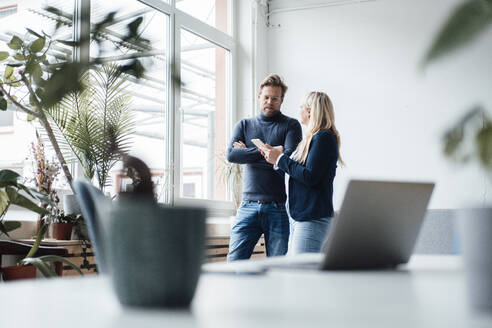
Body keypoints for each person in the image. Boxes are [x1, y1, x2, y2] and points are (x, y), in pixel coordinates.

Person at [226, 74, 302, 261]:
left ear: (281, 100)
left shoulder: (291, 125)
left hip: (277, 207)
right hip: (247, 206)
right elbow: (232, 155)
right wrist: (273, 151)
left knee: (278, 269)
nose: (270, 101)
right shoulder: (244, 124)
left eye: (275, 98)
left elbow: (290, 158)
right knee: (233, 263)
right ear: (259, 97)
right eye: (266, 97)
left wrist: (249, 153)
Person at [261, 91, 343, 254]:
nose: (298, 110)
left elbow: (310, 176)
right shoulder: (312, 138)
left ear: (310, 111)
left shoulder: (323, 137)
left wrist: (280, 159)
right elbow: (299, 175)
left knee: (301, 274)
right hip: (300, 217)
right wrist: (276, 159)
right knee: (298, 272)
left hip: (311, 217)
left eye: (300, 107)